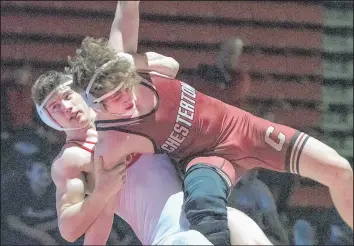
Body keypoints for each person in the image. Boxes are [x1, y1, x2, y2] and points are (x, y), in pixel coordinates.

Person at [68, 33, 353, 245]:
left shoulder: (140, 71)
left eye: (123, 88)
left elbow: (170, 62)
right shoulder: (111, 143)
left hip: (242, 129)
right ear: (96, 106)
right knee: (205, 213)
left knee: (339, 170)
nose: (125, 98)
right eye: (113, 99)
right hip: (204, 158)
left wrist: (130, 60)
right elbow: (101, 213)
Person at [31, 2, 273, 245]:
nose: (67, 108)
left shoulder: (120, 116)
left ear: (81, 93)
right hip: (169, 237)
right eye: (55, 108)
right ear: (50, 121)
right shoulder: (72, 159)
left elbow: (132, 36)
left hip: (204, 220)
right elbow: (69, 229)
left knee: (242, 225)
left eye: (67, 97)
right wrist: (102, 192)